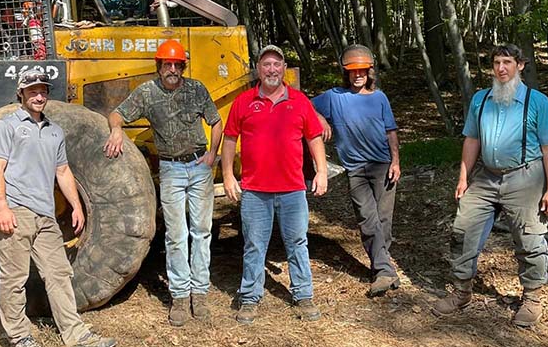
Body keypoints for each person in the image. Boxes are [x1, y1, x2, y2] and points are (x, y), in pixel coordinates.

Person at [0, 68, 117, 347]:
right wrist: (2, 206)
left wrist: (76, 205)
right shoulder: (6, 127)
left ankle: (76, 334)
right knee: (14, 277)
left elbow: (62, 171)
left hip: (45, 215)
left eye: (43, 90)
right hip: (17, 213)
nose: (39, 95)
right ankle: (19, 336)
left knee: (59, 273)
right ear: (21, 93)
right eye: (32, 90)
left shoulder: (54, 131)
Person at [433, 44, 548, 327]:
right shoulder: (481, 99)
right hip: (486, 176)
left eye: (507, 62)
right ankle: (462, 291)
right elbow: (472, 140)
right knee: (463, 229)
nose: (501, 68)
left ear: (521, 66)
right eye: (496, 63)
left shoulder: (538, 102)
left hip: (525, 177)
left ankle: (532, 298)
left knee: (530, 238)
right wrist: (463, 177)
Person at [103, 39, 223, 327]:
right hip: (170, 169)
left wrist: (212, 155)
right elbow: (116, 114)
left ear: (182, 66)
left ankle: (200, 293)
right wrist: (116, 130)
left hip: (199, 167)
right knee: (176, 235)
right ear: (159, 67)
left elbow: (216, 121)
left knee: (202, 231)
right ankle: (180, 296)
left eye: (176, 64)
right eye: (166, 64)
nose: (172, 69)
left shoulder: (196, 90)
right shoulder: (147, 93)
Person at [221, 44, 328, 325]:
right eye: (266, 64)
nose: (272, 70)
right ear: (258, 69)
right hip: (255, 191)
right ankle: (249, 298)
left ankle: (303, 296)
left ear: (284, 70)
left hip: (293, 189)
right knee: (255, 245)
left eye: (277, 65)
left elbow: (314, 138)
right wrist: (229, 175)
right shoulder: (243, 102)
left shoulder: (300, 101)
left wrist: (321, 171)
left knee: (297, 242)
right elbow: (229, 139)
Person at [312, 45, 402, 297]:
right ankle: (384, 270)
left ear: (369, 72)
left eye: (362, 70)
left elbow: (391, 132)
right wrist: (319, 118)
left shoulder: (379, 98)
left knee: (384, 221)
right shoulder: (334, 97)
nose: (358, 75)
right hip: (356, 169)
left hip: (382, 165)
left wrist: (396, 161)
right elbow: (303, 105)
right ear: (346, 73)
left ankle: (382, 269)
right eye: (353, 71)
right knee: (367, 218)